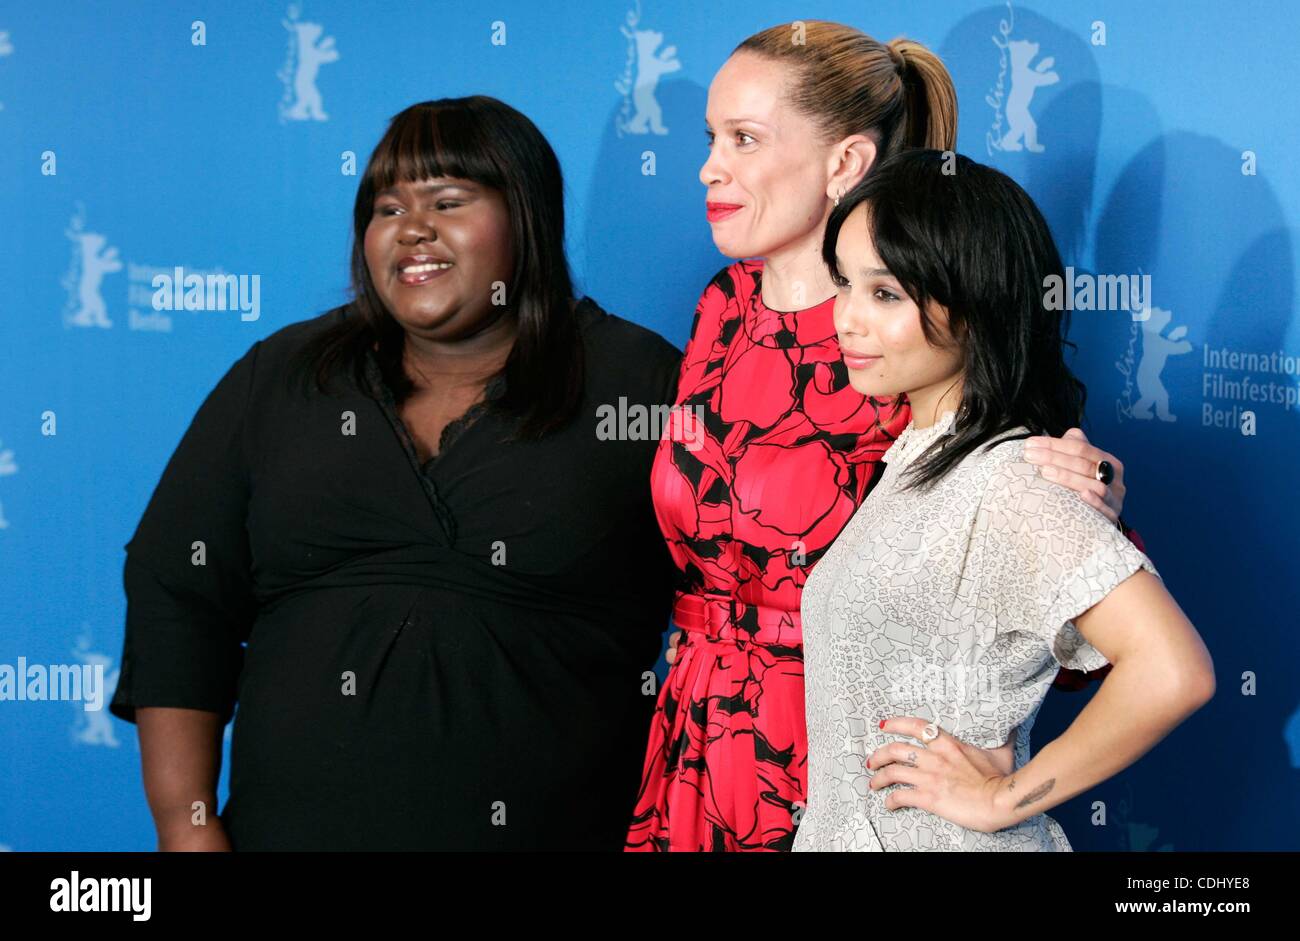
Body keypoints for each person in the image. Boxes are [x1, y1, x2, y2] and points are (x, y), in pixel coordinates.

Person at [109, 96, 683, 850]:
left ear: (528, 217)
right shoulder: (284, 376)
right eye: (387, 208)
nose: (412, 229)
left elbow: (741, 605)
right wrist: (186, 827)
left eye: (448, 201)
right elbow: (177, 595)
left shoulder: (640, 384)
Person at [627, 21, 1139, 852]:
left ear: (847, 163)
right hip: (696, 737)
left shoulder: (909, 339)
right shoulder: (724, 304)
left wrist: (1097, 496)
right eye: (710, 137)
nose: (708, 167)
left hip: (844, 759)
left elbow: (1083, 624)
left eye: (744, 139)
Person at [792, 149, 1215, 851]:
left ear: (976, 301)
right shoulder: (914, 460)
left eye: (886, 293)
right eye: (844, 283)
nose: (845, 319)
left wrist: (1001, 798)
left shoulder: (1011, 480)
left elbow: (1175, 670)